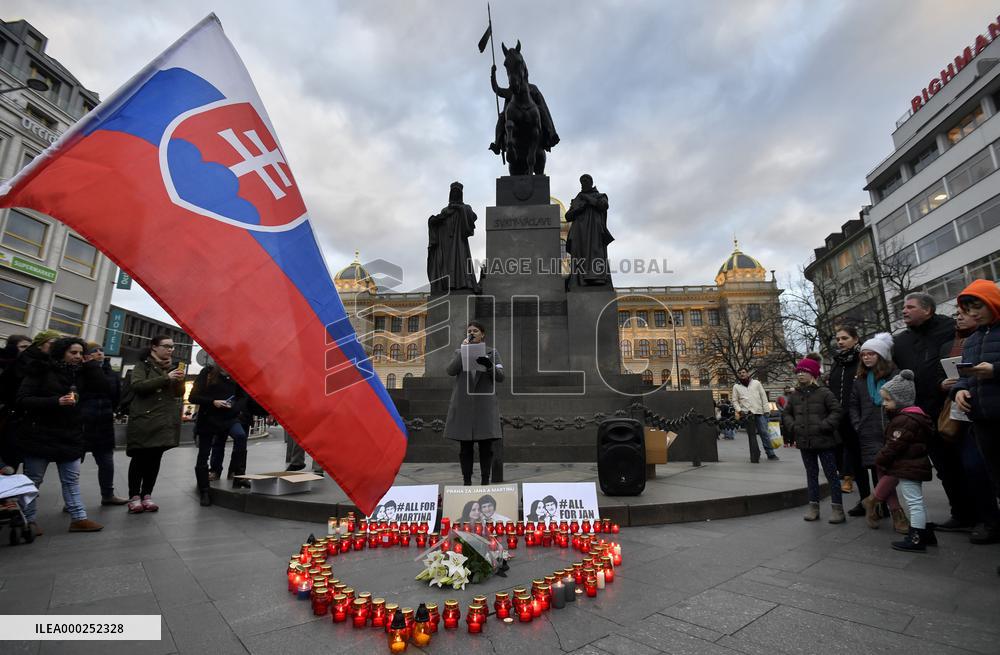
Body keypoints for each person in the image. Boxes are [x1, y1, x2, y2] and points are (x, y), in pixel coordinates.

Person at [893, 292, 971, 532]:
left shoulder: (949, 329)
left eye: (910, 307)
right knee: (945, 467)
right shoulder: (901, 341)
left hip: (953, 408)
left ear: (927, 310)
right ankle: (960, 513)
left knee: (968, 463)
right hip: (923, 413)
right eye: (903, 307)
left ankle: (984, 514)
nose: (904, 311)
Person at [17, 337, 103, 533]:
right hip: (40, 433)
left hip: (69, 433)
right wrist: (56, 401)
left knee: (71, 480)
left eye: (81, 353)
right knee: (34, 480)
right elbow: (23, 399)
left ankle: (79, 518)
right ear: (61, 352)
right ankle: (28, 520)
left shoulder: (81, 372)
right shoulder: (41, 369)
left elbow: (103, 387)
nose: (77, 357)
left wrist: (91, 366)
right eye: (73, 353)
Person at [940, 307, 1000, 545]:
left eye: (970, 309)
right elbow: (965, 375)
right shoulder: (965, 342)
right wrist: (957, 388)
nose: (961, 315)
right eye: (959, 311)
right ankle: (988, 521)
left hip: (992, 414)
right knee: (975, 469)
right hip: (971, 416)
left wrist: (994, 370)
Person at [850, 333, 908, 534]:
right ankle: (896, 513)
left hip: (892, 429)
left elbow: (904, 398)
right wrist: (858, 424)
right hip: (868, 431)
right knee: (882, 471)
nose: (866, 357)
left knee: (895, 470)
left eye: (871, 354)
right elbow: (853, 405)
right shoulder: (860, 380)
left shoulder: (895, 375)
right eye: (863, 354)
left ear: (881, 355)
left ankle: (873, 500)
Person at [874, 370, 936, 552]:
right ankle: (927, 532)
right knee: (918, 501)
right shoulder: (917, 416)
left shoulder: (904, 420)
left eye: (887, 400)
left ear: (900, 399)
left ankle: (916, 538)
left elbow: (894, 445)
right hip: (914, 464)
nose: (884, 404)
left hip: (907, 466)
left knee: (914, 502)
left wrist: (880, 459)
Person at [124, 335, 184, 513]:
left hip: (163, 421)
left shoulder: (172, 368)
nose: (170, 350)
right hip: (144, 419)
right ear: (154, 348)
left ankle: (147, 495)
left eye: (172, 347)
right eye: (166, 346)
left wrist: (179, 381)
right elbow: (138, 386)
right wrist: (167, 378)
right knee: (140, 458)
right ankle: (134, 496)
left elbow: (178, 394)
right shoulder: (143, 365)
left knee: (155, 458)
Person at [782, 355, 844, 523]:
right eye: (798, 371)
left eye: (804, 371)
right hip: (805, 441)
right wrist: (793, 426)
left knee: (832, 475)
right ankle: (813, 507)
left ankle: (837, 508)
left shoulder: (824, 393)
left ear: (813, 374)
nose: (800, 374)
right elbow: (786, 413)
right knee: (811, 474)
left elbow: (837, 411)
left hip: (825, 441)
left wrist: (825, 425)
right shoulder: (795, 395)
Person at [444, 321, 504, 486]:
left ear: (482, 334)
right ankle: (467, 482)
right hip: (464, 405)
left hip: (484, 406)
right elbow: (450, 371)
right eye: (469, 330)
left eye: (475, 331)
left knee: (486, 447)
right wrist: (463, 352)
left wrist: (489, 365)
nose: (471, 333)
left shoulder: (492, 352)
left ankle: (485, 481)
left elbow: (501, 376)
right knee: (465, 448)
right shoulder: (459, 351)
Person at [0, 331, 59, 477]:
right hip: (14, 417)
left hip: (34, 420)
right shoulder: (21, 364)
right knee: (10, 458)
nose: (25, 349)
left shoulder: (49, 363)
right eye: (22, 346)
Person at [189, 364, 249, 504]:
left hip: (229, 418)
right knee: (204, 454)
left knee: (240, 436)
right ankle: (204, 490)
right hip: (208, 418)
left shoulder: (236, 374)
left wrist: (234, 407)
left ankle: (238, 475)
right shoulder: (208, 372)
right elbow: (193, 397)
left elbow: (243, 397)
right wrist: (213, 402)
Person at [78, 343, 127, 506]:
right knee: (75, 463)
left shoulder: (110, 373)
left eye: (101, 350)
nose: (99, 353)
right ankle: (71, 498)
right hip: (83, 422)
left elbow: (115, 395)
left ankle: (108, 494)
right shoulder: (80, 371)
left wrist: (112, 410)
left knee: (106, 461)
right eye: (94, 351)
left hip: (104, 421)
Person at [829, 326, 863, 506]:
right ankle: (865, 500)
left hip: (862, 416)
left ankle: (883, 502)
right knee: (853, 457)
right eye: (838, 339)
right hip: (842, 417)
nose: (840, 342)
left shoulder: (863, 358)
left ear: (856, 339)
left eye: (845, 338)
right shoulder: (837, 362)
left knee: (871, 461)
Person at [565, 174, 614, 286]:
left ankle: (597, 279)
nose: (584, 182)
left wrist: (588, 199)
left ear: (591, 182)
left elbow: (603, 206)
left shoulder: (601, 195)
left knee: (595, 254)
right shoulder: (577, 198)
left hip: (594, 231)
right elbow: (568, 216)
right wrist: (578, 209)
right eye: (582, 181)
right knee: (578, 255)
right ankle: (578, 281)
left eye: (586, 180)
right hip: (578, 231)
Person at [731, 367, 779, 463]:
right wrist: (739, 411)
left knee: (764, 433)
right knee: (751, 435)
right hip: (747, 414)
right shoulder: (736, 386)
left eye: (744, 372)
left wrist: (766, 410)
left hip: (759, 412)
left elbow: (763, 397)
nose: (742, 374)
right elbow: (735, 400)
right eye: (740, 373)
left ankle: (770, 453)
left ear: (747, 373)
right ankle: (755, 452)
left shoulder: (756, 383)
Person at [0, 334, 31, 475]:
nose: (27, 351)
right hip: (4, 418)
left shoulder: (31, 369)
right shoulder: (5, 367)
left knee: (12, 460)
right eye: (23, 347)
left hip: (19, 423)